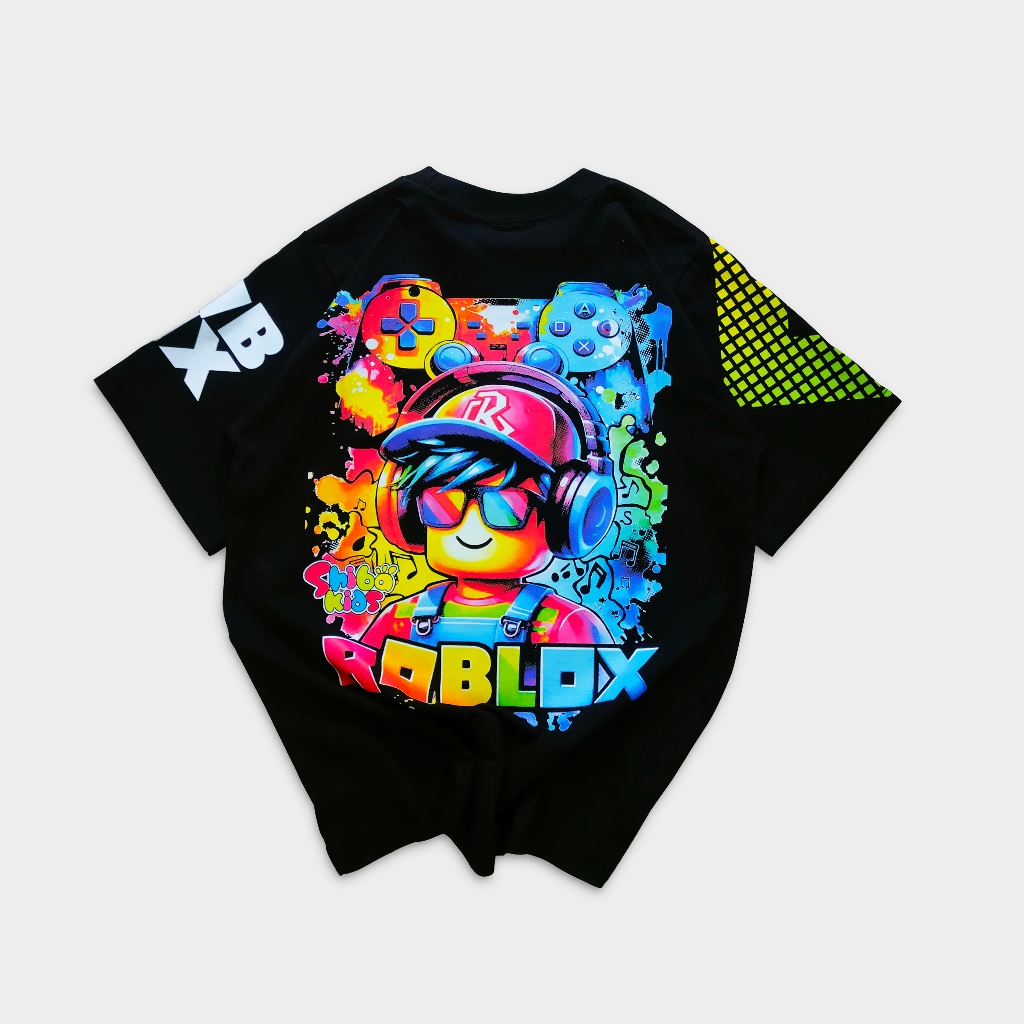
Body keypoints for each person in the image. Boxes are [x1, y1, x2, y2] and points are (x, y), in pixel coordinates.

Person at [361, 376, 614, 650]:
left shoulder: (563, 626)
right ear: (406, 510)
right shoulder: (398, 620)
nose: (470, 524)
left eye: (505, 506)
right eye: (441, 503)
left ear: (565, 513)